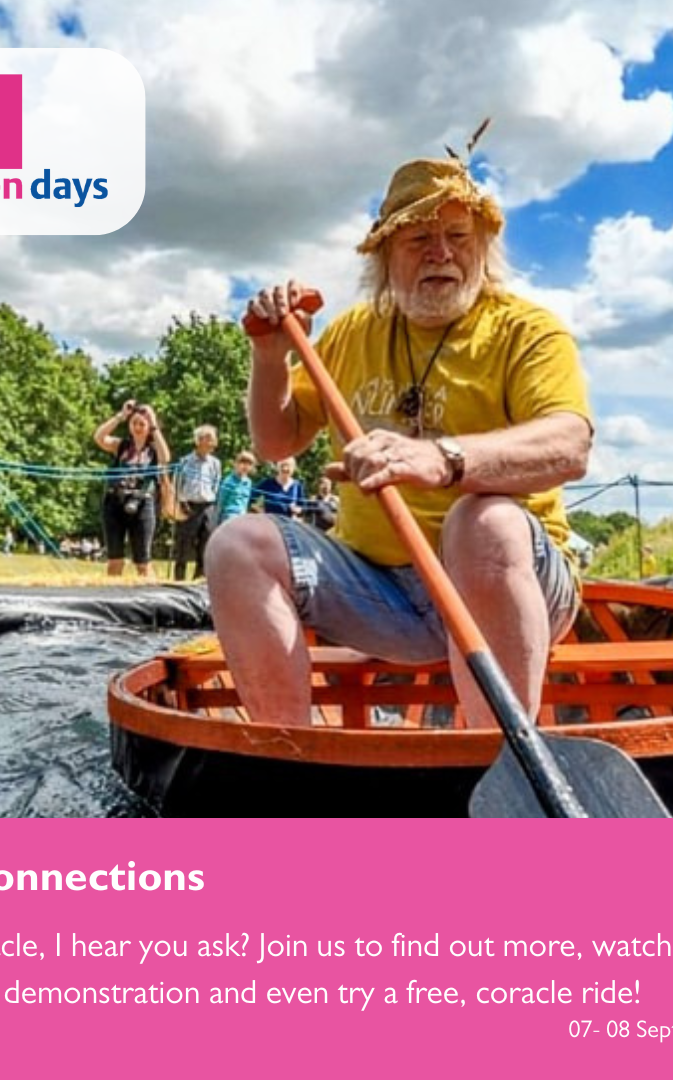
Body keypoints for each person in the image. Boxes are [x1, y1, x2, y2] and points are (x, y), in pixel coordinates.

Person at [206, 154, 591, 727]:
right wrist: (269, 358)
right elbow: (277, 443)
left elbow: (569, 445)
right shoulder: (350, 334)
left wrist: (443, 459)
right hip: (382, 594)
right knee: (236, 545)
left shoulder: (527, 330)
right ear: (386, 257)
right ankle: (290, 759)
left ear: (483, 247)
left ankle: (497, 762)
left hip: (508, 582)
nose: (442, 253)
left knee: (481, 521)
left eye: (458, 236)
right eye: (419, 240)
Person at [94, 400, 171, 578]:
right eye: (134, 423)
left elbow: (165, 457)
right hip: (114, 503)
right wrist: (120, 416)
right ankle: (111, 597)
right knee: (115, 560)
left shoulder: (153, 449)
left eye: (141, 424)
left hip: (142, 503)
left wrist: (153, 423)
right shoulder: (121, 446)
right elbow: (99, 437)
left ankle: (149, 600)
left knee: (143, 561)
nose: (137, 427)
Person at [172, 424, 222, 581]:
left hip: (207, 505)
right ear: (200, 440)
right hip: (188, 505)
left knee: (206, 540)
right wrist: (181, 502)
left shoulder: (215, 463)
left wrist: (213, 498)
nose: (213, 443)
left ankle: (199, 577)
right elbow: (177, 484)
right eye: (210, 439)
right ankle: (179, 578)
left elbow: (216, 482)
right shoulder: (185, 461)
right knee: (184, 542)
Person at [215, 451, 258, 524]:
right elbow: (221, 501)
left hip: (242, 516)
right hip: (228, 516)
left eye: (249, 464)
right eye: (243, 463)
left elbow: (246, 502)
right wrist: (218, 520)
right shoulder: (229, 480)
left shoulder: (248, 482)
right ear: (236, 464)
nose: (245, 466)